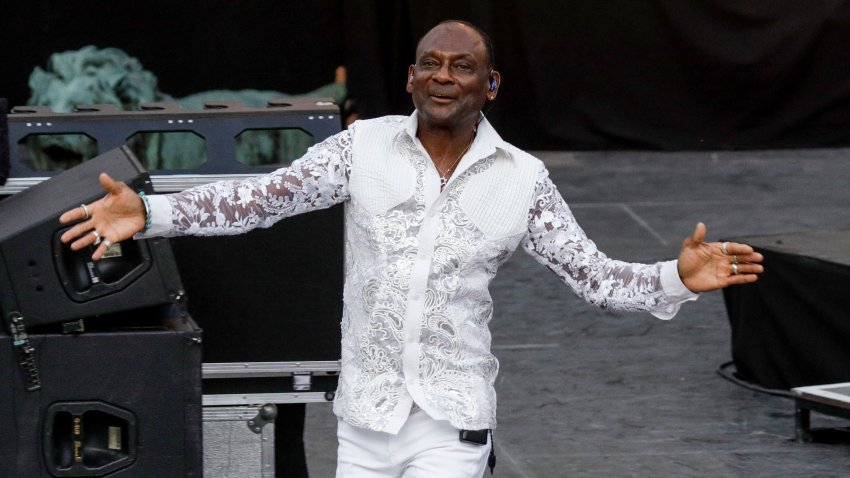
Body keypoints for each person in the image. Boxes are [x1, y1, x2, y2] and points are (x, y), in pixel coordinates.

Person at [59, 19, 763, 478]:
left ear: (490, 84)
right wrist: (149, 212)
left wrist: (676, 277)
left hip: (453, 422)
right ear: (409, 78)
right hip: (365, 421)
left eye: (462, 66)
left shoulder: (524, 180)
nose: (443, 76)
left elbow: (596, 279)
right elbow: (260, 199)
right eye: (430, 63)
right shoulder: (360, 148)